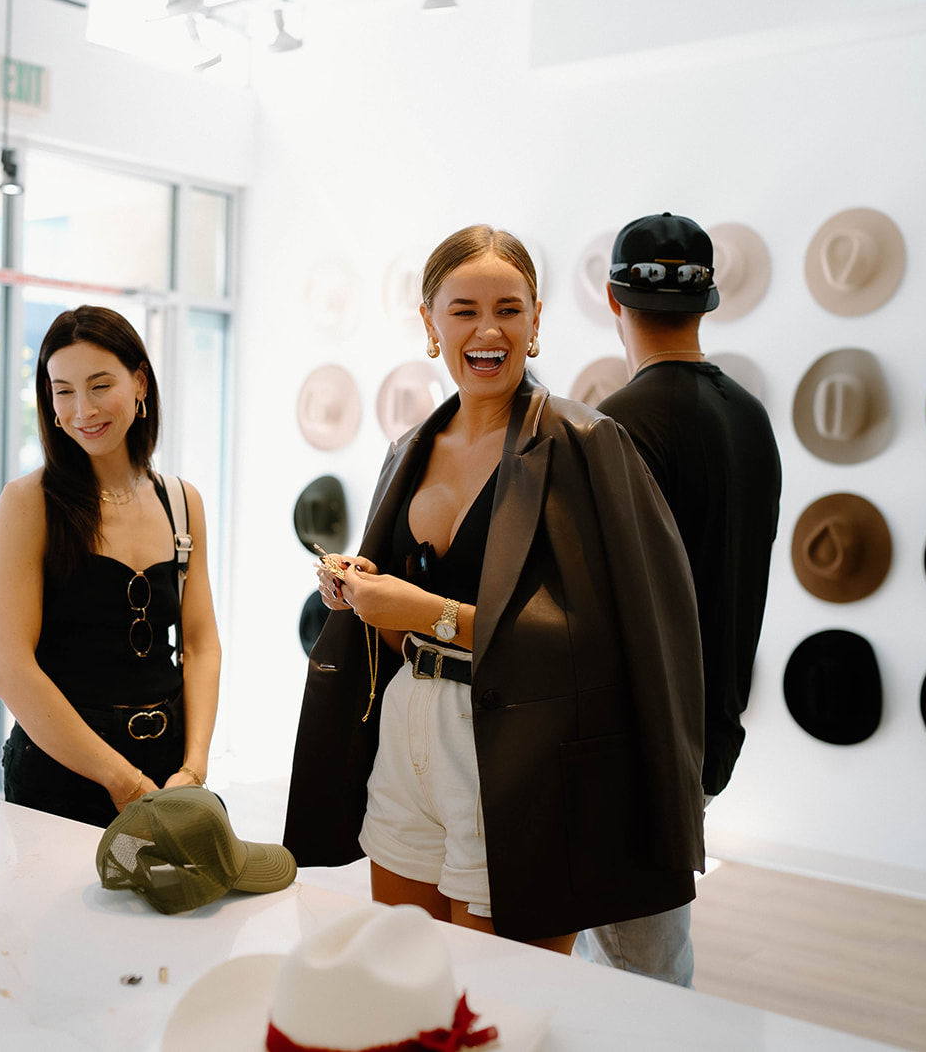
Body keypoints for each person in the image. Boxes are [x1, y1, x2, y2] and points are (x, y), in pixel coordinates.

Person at [283, 224, 706, 954]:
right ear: (429, 322)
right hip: (407, 742)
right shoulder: (407, 450)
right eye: (463, 309)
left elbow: (609, 639)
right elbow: (397, 631)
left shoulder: (588, 446)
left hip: (521, 750)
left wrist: (429, 612)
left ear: (537, 319)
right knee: (401, 979)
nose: (488, 330)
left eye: (509, 309)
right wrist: (367, 595)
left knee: (502, 1003)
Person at [579, 212, 783, 987]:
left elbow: (595, 607)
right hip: (708, 723)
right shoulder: (750, 418)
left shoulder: (618, 428)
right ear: (708, 303)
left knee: (637, 973)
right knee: (648, 956)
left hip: (632, 739)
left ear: (611, 298)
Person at [0, 305, 222, 828]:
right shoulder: (29, 502)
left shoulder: (182, 502)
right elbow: (9, 669)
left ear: (140, 382)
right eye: (62, 390)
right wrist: (120, 779)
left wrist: (194, 766)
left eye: (99, 385)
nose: (82, 409)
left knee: (169, 907)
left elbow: (201, 642)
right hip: (61, 775)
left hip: (167, 765)